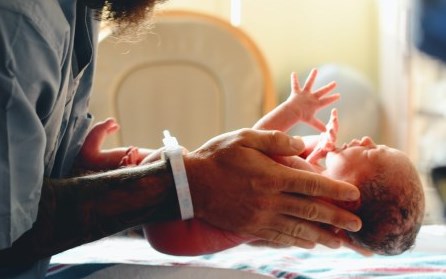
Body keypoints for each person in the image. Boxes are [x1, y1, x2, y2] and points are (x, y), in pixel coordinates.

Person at [0, 2, 363, 278]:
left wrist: (82, 168)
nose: (365, 141)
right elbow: (10, 227)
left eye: (375, 153)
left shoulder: (77, 14)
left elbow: (29, 181)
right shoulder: (22, 26)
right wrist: (183, 184)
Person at [96, 69, 424, 257]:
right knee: (157, 159)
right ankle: (100, 162)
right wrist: (318, 151)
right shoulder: (318, 215)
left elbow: (255, 144)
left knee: (164, 157)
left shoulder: (307, 185)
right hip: (178, 234)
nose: (366, 140)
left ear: (352, 195)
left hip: (180, 223)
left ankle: (97, 162)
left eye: (372, 152)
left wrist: (294, 112)